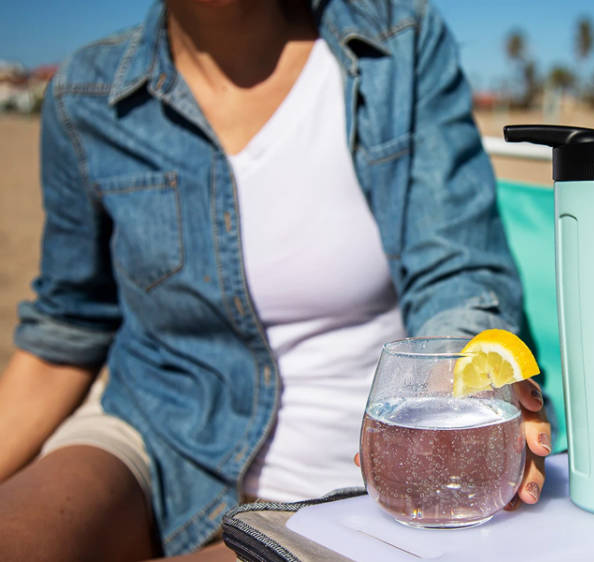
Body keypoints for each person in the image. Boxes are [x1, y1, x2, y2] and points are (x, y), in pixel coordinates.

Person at [0, 0, 551, 559]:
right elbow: (66, 331)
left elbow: (455, 271)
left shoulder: (396, 45)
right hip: (151, 431)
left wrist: (452, 399)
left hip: (343, 480)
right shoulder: (87, 92)